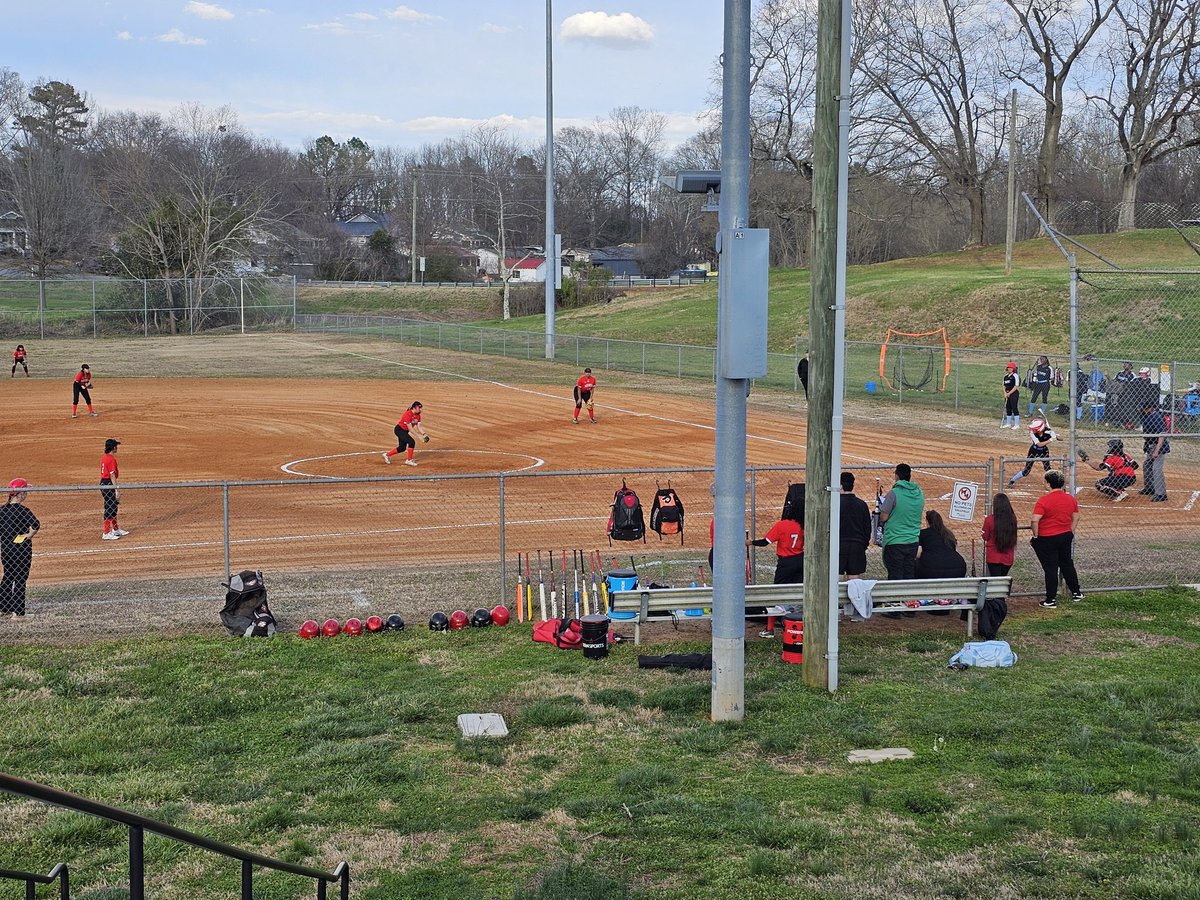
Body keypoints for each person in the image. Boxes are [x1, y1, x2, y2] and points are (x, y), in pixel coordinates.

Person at [748, 505, 804, 637]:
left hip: (786, 564)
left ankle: (770, 629)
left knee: (776, 594)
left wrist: (750, 542)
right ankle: (796, 625)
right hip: (801, 561)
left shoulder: (782, 525)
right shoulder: (803, 526)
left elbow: (765, 542)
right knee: (797, 592)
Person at [1031, 470, 1082, 609]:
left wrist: (1036, 536)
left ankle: (1051, 599)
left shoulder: (1044, 500)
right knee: (1067, 564)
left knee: (1051, 568)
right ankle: (1076, 592)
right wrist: (1070, 530)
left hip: (1047, 537)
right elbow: (1076, 517)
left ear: (1048, 484)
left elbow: (1035, 520)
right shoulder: (1070, 498)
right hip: (1065, 535)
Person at [0, 478, 40, 619]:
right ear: (20, 494)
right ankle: (18, 614)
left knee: (8, 576)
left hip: (6, 549)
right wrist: (28, 535)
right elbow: (36, 525)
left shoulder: (2, 510)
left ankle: (3, 608)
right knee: (20, 579)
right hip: (21, 549)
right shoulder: (23, 511)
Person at [878, 463, 924, 580]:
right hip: (913, 540)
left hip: (895, 540)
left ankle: (895, 598)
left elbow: (883, 517)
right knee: (909, 573)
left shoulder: (894, 493)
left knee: (895, 574)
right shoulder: (919, 493)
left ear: (897, 476)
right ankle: (908, 598)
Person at [914, 511, 967, 589]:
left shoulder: (923, 533)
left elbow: (918, 553)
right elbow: (955, 549)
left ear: (927, 521)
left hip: (931, 570)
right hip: (958, 568)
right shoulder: (948, 533)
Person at [1008, 418, 1060, 487]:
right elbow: (1039, 444)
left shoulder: (1048, 431)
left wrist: (1055, 435)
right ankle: (1012, 480)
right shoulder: (1032, 433)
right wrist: (1051, 440)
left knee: (1047, 469)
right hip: (1033, 451)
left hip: (1044, 451)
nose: (1033, 430)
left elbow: (1061, 438)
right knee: (1026, 471)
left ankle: (1056, 484)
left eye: (1035, 429)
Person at [839, 472, 872, 579]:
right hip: (857, 545)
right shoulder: (862, 504)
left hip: (838, 545)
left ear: (840, 485)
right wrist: (863, 545)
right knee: (854, 581)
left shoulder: (834, 503)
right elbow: (867, 528)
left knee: (836, 580)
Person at [1140, 398, 1170, 502]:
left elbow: (1162, 435)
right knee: (1147, 465)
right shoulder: (1148, 416)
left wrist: (1157, 450)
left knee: (1156, 469)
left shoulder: (1156, 417)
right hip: (1150, 445)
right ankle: (1149, 488)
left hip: (1158, 446)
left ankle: (1161, 494)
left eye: (1145, 408)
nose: (1143, 410)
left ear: (1150, 408)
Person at [981, 493, 1017, 576]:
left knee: (995, 580)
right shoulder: (1012, 518)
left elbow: (985, 537)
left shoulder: (989, 519)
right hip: (1008, 556)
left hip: (993, 556)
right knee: (1003, 578)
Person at [383, 401, 428, 467]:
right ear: (414, 408)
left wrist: (424, 434)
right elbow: (410, 429)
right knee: (411, 442)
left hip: (404, 431)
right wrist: (419, 436)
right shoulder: (408, 414)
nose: (420, 410)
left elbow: (419, 426)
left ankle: (386, 455)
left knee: (402, 448)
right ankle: (409, 460)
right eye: (419, 408)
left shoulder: (418, 416)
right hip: (399, 430)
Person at [100, 438, 128, 540]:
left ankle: (115, 530)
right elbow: (112, 475)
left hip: (104, 483)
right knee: (110, 507)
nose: (117, 447)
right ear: (113, 447)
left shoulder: (105, 457)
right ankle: (106, 533)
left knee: (113, 507)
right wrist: (116, 489)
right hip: (108, 484)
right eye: (116, 446)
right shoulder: (111, 459)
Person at [1001, 361, 1021, 429]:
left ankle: (1016, 424)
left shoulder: (1015, 376)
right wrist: (1005, 393)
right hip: (1007, 394)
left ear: (1014, 369)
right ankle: (1008, 423)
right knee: (1008, 408)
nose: (1009, 369)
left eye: (1011, 368)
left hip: (1014, 394)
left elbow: (1016, 386)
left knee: (1014, 408)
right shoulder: (1005, 376)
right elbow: (1003, 385)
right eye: (1008, 367)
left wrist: (1009, 393)